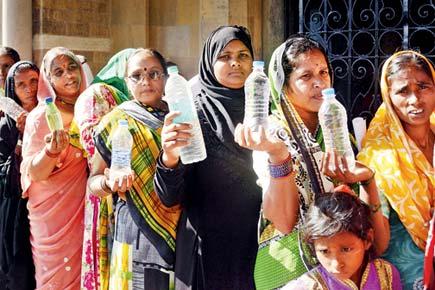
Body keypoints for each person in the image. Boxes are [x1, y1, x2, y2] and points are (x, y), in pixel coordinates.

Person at [234, 36, 388, 289]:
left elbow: (362, 215)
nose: (319, 83)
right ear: (283, 85)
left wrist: (366, 181)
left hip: (340, 263)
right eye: (306, 77)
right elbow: (283, 221)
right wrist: (279, 156)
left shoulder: (337, 131)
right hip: (289, 267)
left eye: (323, 72)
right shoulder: (270, 133)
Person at [154, 25, 262, 289]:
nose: (235, 63)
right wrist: (170, 157)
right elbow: (170, 196)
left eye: (243, 55)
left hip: (259, 245)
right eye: (224, 56)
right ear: (209, 61)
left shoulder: (264, 106)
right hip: (206, 247)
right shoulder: (191, 110)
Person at [88, 48, 181, 290]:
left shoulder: (181, 116)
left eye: (153, 73)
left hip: (180, 221)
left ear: (165, 78)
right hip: (134, 224)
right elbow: (94, 181)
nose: (146, 81)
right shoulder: (115, 122)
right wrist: (109, 183)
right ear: (127, 82)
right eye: (136, 75)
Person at [358, 50, 435, 289]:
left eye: (423, 86)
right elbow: (377, 244)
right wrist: (368, 182)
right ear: (388, 96)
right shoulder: (378, 157)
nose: (415, 99)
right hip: (406, 278)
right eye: (403, 91)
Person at [20, 47, 89, 289]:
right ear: (48, 80)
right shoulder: (40, 117)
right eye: (58, 72)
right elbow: (34, 173)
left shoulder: (90, 110)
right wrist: (50, 152)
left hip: (85, 209)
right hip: (51, 214)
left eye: (71, 68)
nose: (69, 76)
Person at [75, 48, 134, 290]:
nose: (143, 80)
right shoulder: (97, 95)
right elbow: (93, 143)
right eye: (135, 73)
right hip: (107, 189)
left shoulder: (133, 99)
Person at [283, 190, 402, 290]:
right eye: (324, 251)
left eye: (346, 249)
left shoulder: (386, 274)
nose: (336, 264)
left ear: (367, 239)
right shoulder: (307, 286)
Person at [0, 61, 39, 290]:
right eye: (21, 84)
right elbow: (5, 173)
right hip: (17, 210)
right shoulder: (6, 125)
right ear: (11, 90)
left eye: (34, 81)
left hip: (51, 202)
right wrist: (23, 137)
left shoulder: (54, 115)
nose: (29, 88)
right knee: (19, 268)